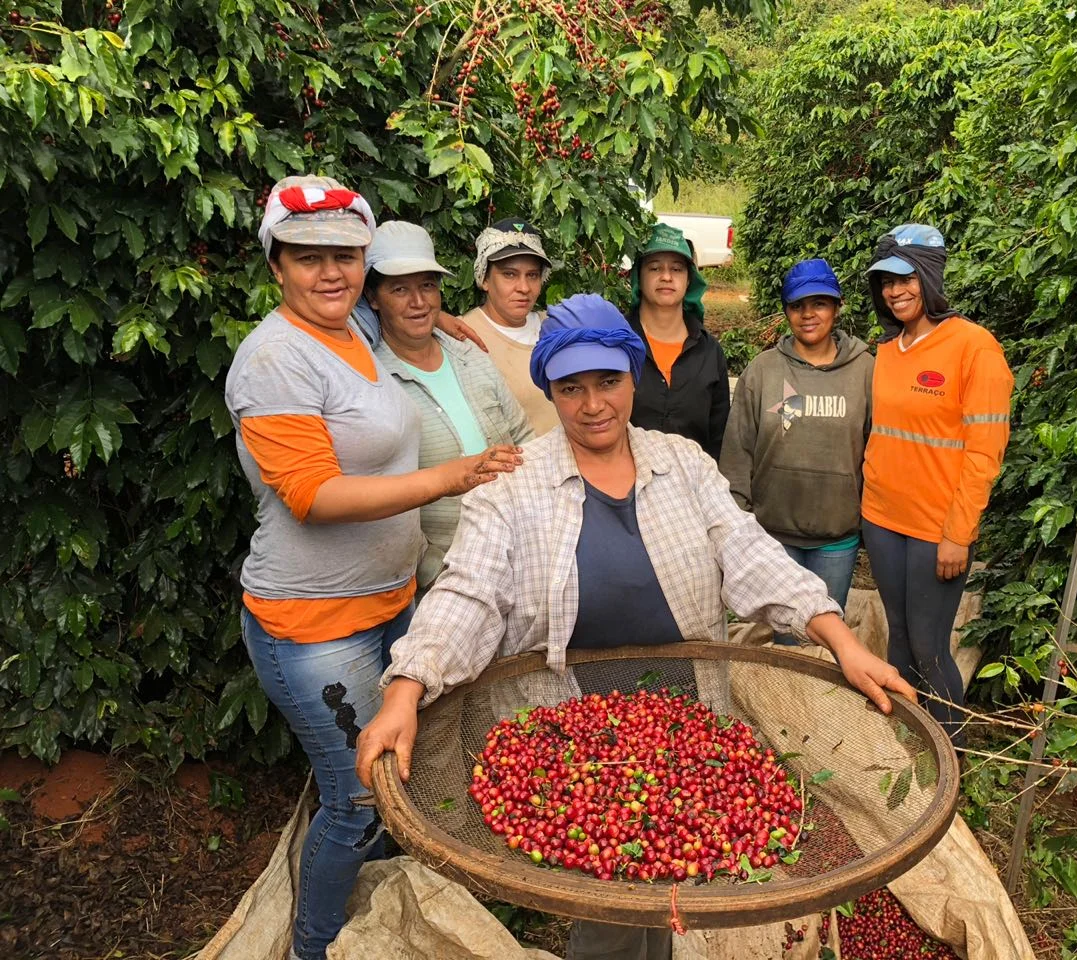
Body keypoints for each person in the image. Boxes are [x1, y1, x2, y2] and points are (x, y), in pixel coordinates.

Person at [354, 293, 915, 960]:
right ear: (549, 391)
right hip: (567, 729)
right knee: (608, 891)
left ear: (633, 377)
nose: (593, 404)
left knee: (675, 875)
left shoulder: (681, 463)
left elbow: (748, 551)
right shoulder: (512, 484)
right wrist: (407, 687)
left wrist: (840, 639)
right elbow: (468, 591)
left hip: (686, 715)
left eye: (609, 381)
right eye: (571, 388)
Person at [223, 176, 522, 960]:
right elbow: (313, 496)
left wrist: (446, 316)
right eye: (307, 257)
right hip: (315, 625)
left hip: (393, 603)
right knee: (357, 799)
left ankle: (382, 919)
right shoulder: (275, 360)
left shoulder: (349, 326)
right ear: (276, 265)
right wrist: (450, 476)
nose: (332, 272)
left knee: (399, 778)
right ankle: (315, 947)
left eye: (347, 256)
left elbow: (402, 307)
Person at [861, 223, 1014, 744]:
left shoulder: (975, 348)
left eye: (905, 279)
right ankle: (904, 753)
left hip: (936, 530)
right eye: (886, 282)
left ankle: (949, 758)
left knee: (929, 647)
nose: (895, 291)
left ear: (929, 277)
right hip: (882, 520)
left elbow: (985, 452)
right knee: (899, 640)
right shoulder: (887, 350)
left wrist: (958, 533)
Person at [363, 220, 535, 589]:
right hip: (439, 577)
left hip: (515, 556)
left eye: (427, 285)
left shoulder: (469, 353)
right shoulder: (370, 377)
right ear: (372, 298)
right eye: (399, 289)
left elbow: (523, 436)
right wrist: (430, 567)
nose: (418, 302)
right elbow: (376, 494)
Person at [719, 259, 873, 637]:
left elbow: (877, 451)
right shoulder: (763, 370)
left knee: (824, 638)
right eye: (797, 305)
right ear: (786, 311)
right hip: (773, 535)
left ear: (837, 307)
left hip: (837, 537)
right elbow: (738, 449)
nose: (808, 314)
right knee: (783, 641)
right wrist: (737, 521)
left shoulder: (865, 370)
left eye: (819, 304)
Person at [625, 223, 730, 458]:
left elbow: (719, 437)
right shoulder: (617, 343)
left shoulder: (709, 352)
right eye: (654, 268)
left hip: (694, 478)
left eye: (677, 269)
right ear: (638, 276)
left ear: (689, 279)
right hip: (623, 478)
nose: (666, 277)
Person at [456, 217, 560, 435]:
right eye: (509, 274)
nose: (523, 287)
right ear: (484, 279)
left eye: (532, 275)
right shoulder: (464, 336)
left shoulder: (555, 325)